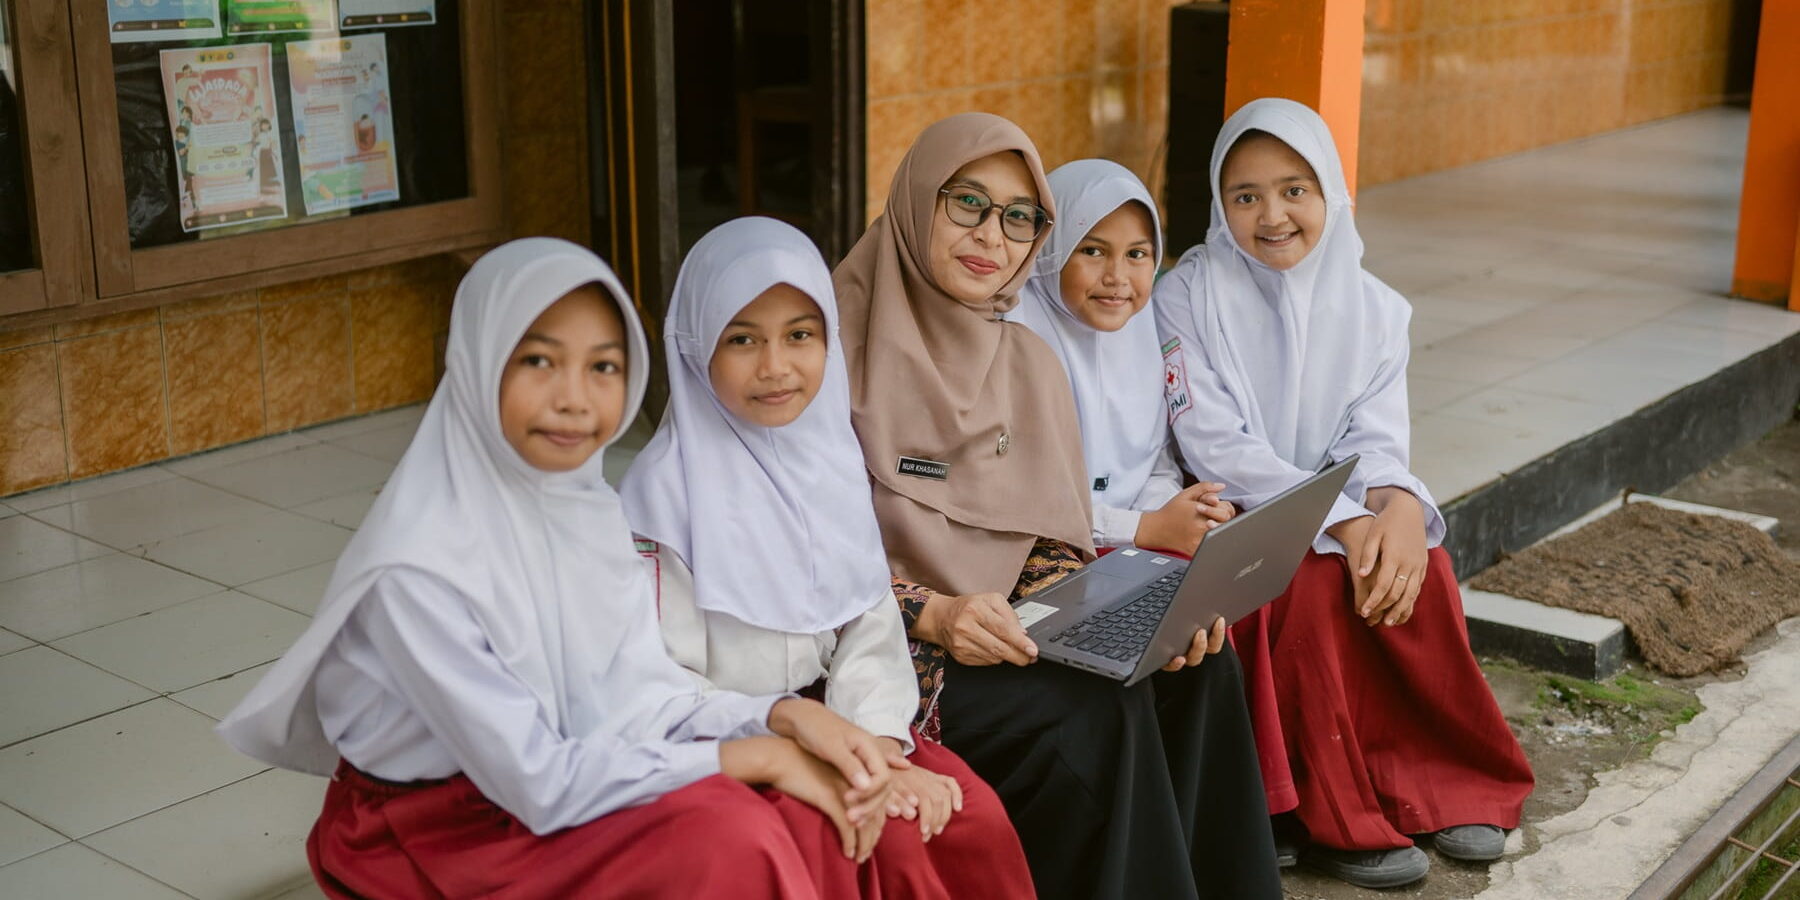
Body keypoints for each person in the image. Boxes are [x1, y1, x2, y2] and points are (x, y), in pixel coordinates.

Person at [219, 238, 902, 899]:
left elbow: (640, 696)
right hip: (436, 830)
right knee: (733, 834)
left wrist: (780, 718)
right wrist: (754, 755)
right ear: (479, 361)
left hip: (568, 767)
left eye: (603, 367)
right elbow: (539, 783)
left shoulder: (585, 507)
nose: (575, 399)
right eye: (540, 362)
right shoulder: (417, 571)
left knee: (795, 811)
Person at [833, 112, 1282, 900]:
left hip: (1007, 632)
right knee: (1093, 715)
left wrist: (1129, 620)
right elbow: (803, 560)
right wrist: (934, 611)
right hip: (891, 653)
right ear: (915, 203)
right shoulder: (833, 353)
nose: (993, 236)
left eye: (1018, 217)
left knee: (1195, 672)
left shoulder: (1027, 363)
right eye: (966, 203)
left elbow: (1053, 540)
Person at [1153, 97, 1534, 889]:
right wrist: (1343, 520)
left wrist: (1392, 504)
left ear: (1331, 190)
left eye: (1295, 189)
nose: (1273, 215)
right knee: (1315, 588)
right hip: (1232, 509)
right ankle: (1320, 812)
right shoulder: (1187, 295)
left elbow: (1376, 436)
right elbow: (1216, 443)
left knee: (1421, 568)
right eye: (1245, 195)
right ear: (1220, 207)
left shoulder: (1374, 308)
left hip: (1341, 505)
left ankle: (1438, 782)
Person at [623, 215, 1035, 898]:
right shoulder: (662, 498)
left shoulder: (828, 457)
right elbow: (661, 688)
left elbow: (867, 625)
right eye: (742, 339)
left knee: (973, 819)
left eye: (800, 335)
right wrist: (819, 747)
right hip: (735, 746)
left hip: (845, 721)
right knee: (889, 839)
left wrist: (877, 743)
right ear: (695, 347)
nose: (776, 367)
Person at [1007, 158, 1233, 556]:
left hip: (1133, 536)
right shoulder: (1012, 341)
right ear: (1047, 251)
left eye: (1137, 254)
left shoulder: (1144, 329)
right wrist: (1143, 527)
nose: (1117, 276)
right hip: (1036, 552)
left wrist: (1175, 512)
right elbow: (1012, 496)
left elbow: (1154, 459)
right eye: (1093, 250)